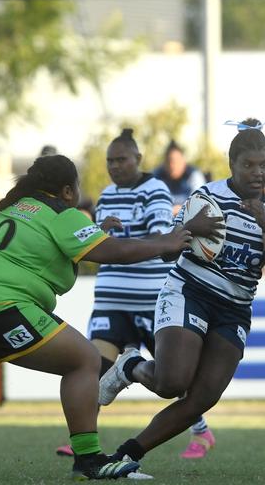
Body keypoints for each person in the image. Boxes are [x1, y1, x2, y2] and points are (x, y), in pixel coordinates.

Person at [0, 154, 192, 480]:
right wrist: (165, 242)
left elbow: (43, 244)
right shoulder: (64, 214)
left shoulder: (16, 207)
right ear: (69, 191)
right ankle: (89, 460)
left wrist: (95, 231)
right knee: (85, 360)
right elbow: (115, 253)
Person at [97, 118, 265, 465]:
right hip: (190, 292)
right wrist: (189, 227)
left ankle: (128, 456)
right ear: (231, 164)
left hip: (234, 309)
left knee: (202, 399)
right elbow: (169, 251)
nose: (257, 172)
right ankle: (130, 367)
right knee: (172, 383)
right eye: (248, 165)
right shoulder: (208, 196)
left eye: (263, 164)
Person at [54, 129, 215, 461]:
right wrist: (101, 233)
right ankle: (84, 441)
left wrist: (119, 240)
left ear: (138, 159)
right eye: (110, 161)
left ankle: (201, 432)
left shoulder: (154, 190)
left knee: (173, 382)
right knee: (94, 369)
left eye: (121, 159)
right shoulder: (107, 194)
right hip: (110, 301)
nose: (115, 166)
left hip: (150, 301)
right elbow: (99, 244)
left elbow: (161, 242)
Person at [153, 140, 206, 216]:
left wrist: (180, 209)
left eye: (175, 161)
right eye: (169, 161)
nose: (172, 166)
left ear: (183, 161)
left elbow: (200, 205)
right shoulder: (156, 175)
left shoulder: (194, 175)